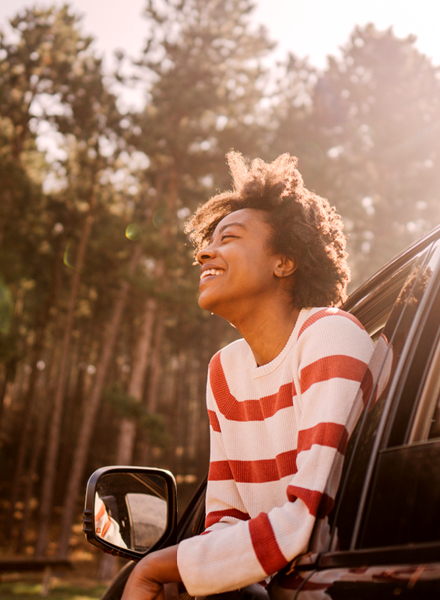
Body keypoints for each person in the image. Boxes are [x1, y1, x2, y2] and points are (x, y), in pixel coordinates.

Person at [122, 152, 375, 599]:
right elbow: (227, 520)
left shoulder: (329, 337)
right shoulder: (225, 370)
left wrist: (155, 568)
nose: (204, 251)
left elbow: (308, 518)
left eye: (229, 237)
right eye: (207, 241)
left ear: (285, 261)